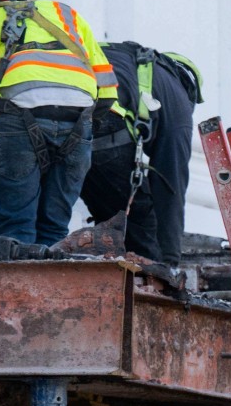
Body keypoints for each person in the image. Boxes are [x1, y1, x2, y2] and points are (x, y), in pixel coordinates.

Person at [0, 0, 117, 245]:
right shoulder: (66, 14)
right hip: (80, 116)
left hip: (16, 115)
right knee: (54, 228)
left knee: (15, 230)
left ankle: (16, 285)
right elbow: (107, 93)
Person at [79, 41, 203, 266]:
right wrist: (170, 258)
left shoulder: (128, 58)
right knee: (141, 222)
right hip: (102, 119)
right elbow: (170, 183)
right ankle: (149, 287)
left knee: (49, 215)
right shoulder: (177, 97)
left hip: (45, 105)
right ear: (190, 89)